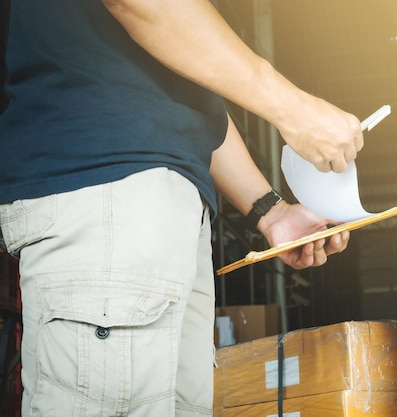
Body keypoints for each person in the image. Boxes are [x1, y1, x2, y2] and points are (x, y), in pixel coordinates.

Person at [0, 1, 364, 416]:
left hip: (152, 207)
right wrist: (291, 106)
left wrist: (272, 211)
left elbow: (192, 103)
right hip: (109, 194)